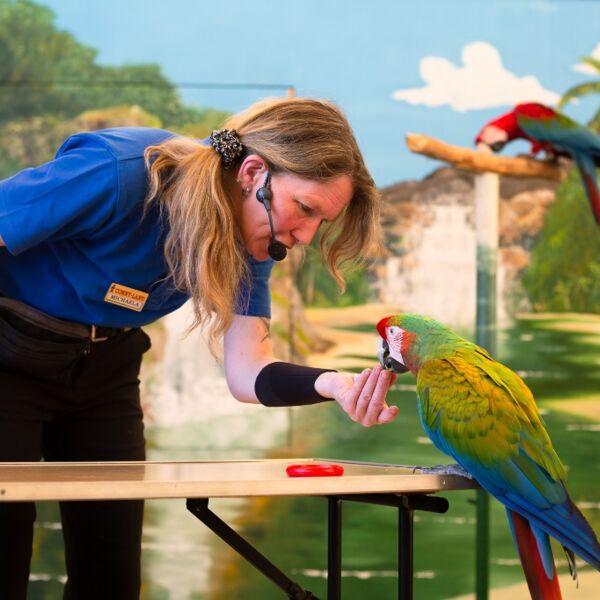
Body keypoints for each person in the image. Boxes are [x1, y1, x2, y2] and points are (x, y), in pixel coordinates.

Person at [0, 97, 398, 599]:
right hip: (9, 356)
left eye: (322, 224)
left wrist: (334, 384)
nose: (303, 237)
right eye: (305, 210)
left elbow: (248, 372)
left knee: (112, 575)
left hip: (105, 369)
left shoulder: (248, 244)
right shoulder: (123, 172)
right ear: (254, 172)